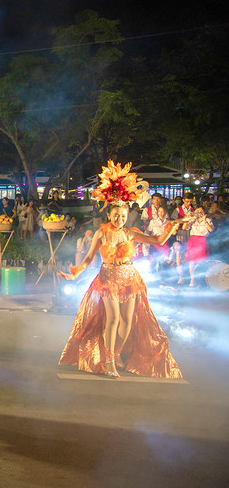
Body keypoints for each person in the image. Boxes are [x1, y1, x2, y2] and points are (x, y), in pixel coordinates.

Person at [57, 161, 185, 379]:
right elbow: (88, 258)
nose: (120, 219)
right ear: (109, 215)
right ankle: (109, 362)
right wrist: (75, 273)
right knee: (113, 319)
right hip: (107, 279)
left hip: (130, 279)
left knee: (126, 320)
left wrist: (173, 225)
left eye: (123, 216)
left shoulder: (131, 233)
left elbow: (158, 240)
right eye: (116, 215)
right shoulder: (101, 234)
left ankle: (115, 354)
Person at [184, 207, 214, 287]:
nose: (199, 212)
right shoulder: (193, 220)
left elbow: (211, 229)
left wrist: (204, 220)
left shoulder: (208, 220)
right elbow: (184, 228)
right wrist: (187, 218)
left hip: (202, 241)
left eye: (201, 211)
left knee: (201, 262)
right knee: (191, 262)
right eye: (197, 211)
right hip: (192, 240)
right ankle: (192, 280)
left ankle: (201, 280)